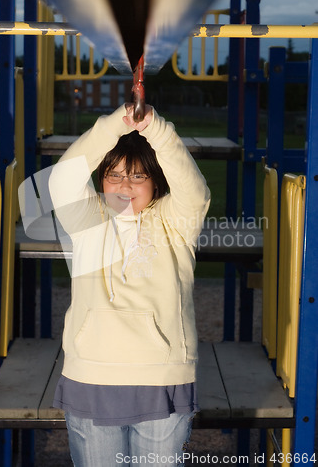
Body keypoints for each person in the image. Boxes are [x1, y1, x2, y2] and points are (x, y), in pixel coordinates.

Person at [48, 103, 210, 466]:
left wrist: (154, 128)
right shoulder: (88, 217)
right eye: (113, 174)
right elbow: (62, 179)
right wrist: (115, 126)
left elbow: (193, 188)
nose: (123, 185)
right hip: (91, 373)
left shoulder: (176, 222)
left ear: (156, 181)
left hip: (161, 375)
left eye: (137, 176)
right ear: (100, 180)